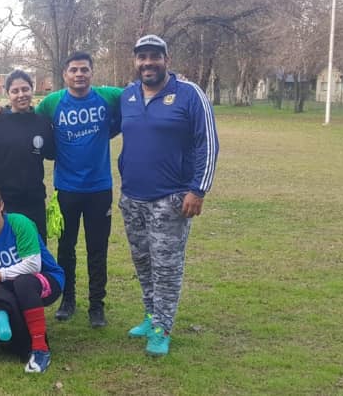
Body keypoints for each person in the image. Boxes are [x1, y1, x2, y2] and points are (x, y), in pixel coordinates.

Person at [119, 35, 219, 356]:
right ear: (136, 62)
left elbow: (208, 143)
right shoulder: (128, 95)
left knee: (167, 267)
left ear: (167, 59)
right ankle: (151, 315)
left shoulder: (190, 95)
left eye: (154, 57)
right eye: (142, 57)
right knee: (143, 262)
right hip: (132, 197)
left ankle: (163, 328)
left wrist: (198, 190)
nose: (148, 63)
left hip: (172, 198)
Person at [35, 52, 121, 327]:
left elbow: (139, 93)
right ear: (65, 74)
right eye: (74, 70)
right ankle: (67, 300)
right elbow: (27, 118)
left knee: (98, 248)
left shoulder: (108, 96)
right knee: (66, 247)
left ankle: (97, 306)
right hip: (66, 189)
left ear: (92, 73)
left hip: (99, 189)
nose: (79, 74)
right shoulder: (52, 102)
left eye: (84, 69)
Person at [0, 186, 64, 373]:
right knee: (15, 346)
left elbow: (33, 265)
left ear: (1, 205)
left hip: (46, 279)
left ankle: (41, 350)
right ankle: (2, 316)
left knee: (23, 282)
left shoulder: (19, 223)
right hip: (11, 287)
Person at [0, 70, 56, 239]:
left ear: (32, 90)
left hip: (34, 200)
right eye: (15, 91)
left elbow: (52, 154)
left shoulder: (43, 122)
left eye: (25, 89)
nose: (21, 95)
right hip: (2, 201)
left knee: (36, 252)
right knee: (6, 251)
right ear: (8, 94)